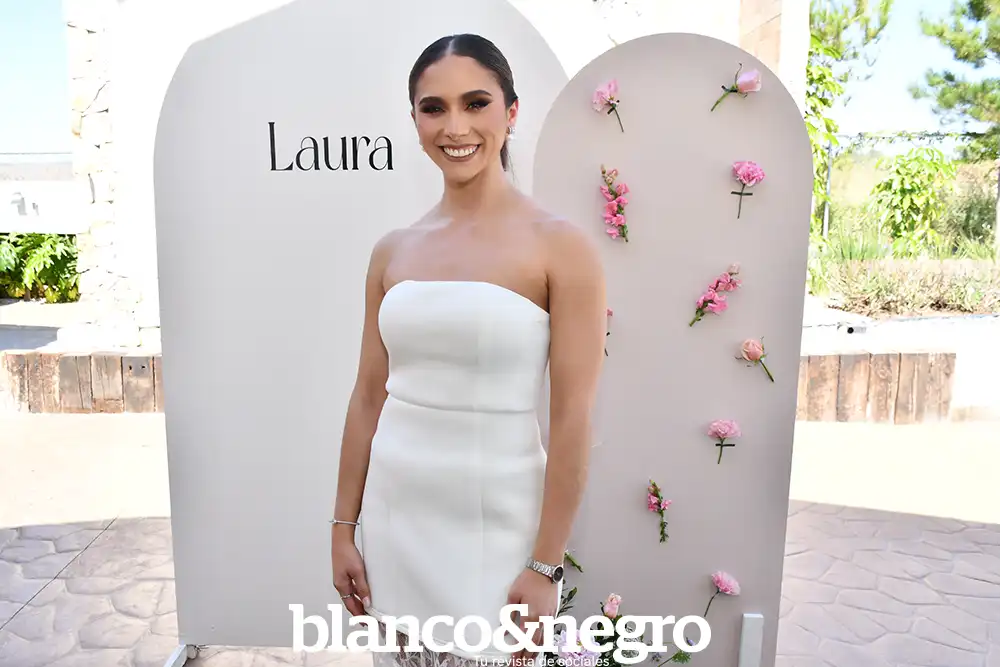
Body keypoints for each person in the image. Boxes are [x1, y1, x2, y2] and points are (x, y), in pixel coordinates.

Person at [330, 33, 606, 667]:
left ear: (512, 112)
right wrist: (343, 529)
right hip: (396, 524)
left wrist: (546, 565)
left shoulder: (562, 248)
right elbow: (368, 396)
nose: (455, 127)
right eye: (435, 108)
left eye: (476, 103)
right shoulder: (392, 250)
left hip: (499, 531)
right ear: (415, 121)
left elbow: (572, 417)